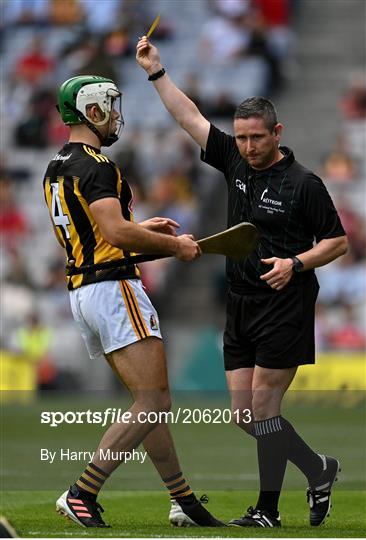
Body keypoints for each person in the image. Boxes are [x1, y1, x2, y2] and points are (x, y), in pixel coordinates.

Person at [136, 37, 348, 528]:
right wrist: (156, 71)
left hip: (286, 302)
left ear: (277, 132)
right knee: (246, 418)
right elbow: (190, 118)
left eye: (257, 138)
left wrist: (295, 263)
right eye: (242, 138)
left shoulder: (304, 184)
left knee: (265, 406)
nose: (248, 147)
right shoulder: (233, 159)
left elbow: (335, 242)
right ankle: (318, 469)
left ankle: (267, 511)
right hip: (240, 304)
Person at [43, 75, 224, 529]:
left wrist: (142, 228)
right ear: (92, 111)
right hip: (113, 289)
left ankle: (181, 499)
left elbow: (99, 233)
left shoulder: (57, 163)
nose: (116, 114)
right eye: (110, 106)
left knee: (149, 400)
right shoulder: (98, 165)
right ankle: (82, 490)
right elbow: (116, 234)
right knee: (156, 402)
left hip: (84, 292)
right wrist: (174, 246)